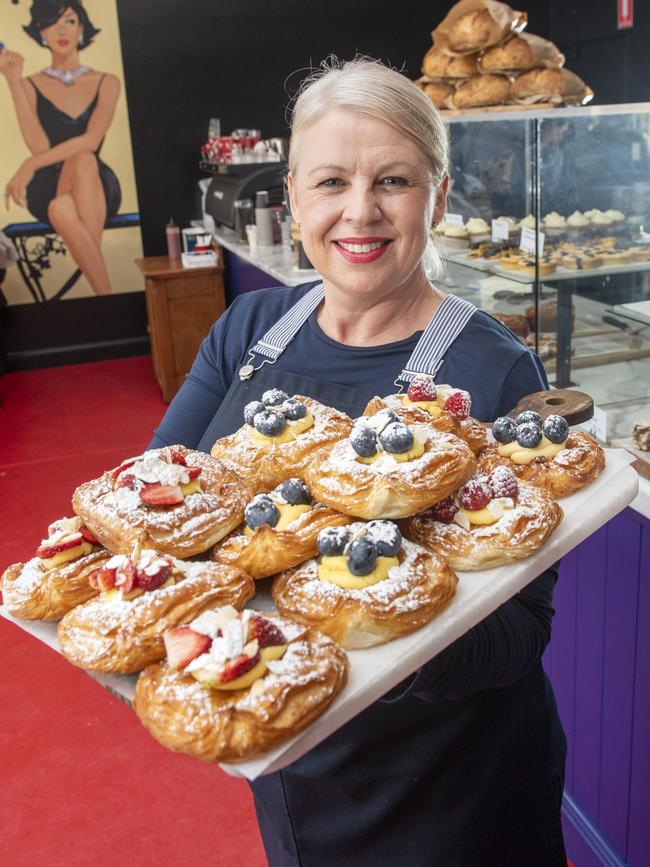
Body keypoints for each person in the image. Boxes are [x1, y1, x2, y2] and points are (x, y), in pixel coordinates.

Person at [150, 59, 567, 866]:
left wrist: (372, 630)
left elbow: (522, 631)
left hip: (455, 784)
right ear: (295, 198)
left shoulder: (494, 372)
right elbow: (158, 502)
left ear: (438, 199)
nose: (360, 211)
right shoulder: (249, 330)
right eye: (332, 180)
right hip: (294, 753)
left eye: (394, 180)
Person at [1, 0, 121, 295]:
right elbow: (39, 146)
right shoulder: (29, 84)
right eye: (50, 23)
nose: (61, 30)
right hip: (47, 186)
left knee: (82, 162)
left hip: (97, 187)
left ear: (82, 27)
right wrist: (13, 82)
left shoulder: (107, 82)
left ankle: (101, 297)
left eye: (68, 21)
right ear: (40, 33)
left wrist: (28, 165)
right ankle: (106, 297)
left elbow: (91, 141)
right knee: (61, 198)